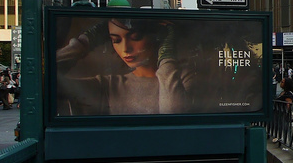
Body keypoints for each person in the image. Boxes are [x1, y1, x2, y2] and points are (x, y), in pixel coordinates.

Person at [56, 17, 194, 115]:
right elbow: (43, 80)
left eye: (136, 37)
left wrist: (167, 57)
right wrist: (82, 44)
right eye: (116, 40)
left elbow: (172, 119)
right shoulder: (109, 85)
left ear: (157, 36)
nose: (125, 48)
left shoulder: (184, 77)